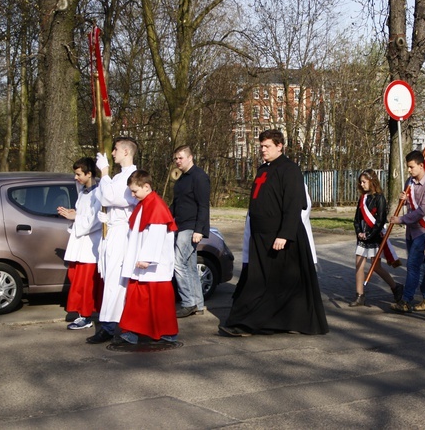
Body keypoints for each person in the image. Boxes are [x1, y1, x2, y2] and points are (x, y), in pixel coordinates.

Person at [220, 129, 328, 337]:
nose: (262, 150)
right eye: (261, 146)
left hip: (281, 238)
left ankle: (247, 323)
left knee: (282, 282)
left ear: (280, 146)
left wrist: (284, 235)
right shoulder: (262, 170)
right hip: (261, 238)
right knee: (262, 281)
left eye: (267, 146)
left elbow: (294, 204)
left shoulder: (290, 170)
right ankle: (257, 322)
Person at [116, 170, 179, 344]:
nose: (133, 195)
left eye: (135, 191)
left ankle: (166, 331)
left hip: (153, 264)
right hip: (142, 261)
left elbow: (157, 235)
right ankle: (133, 331)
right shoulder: (144, 203)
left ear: (146, 186)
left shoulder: (156, 205)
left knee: (158, 300)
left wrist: (147, 258)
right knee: (140, 297)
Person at [86, 137, 139, 344]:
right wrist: (107, 218)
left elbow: (109, 197)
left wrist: (104, 172)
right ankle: (110, 323)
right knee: (109, 278)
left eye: (116, 149)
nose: (113, 153)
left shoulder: (132, 176)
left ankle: (112, 325)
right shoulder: (118, 177)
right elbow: (103, 197)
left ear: (126, 152)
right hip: (113, 231)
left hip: (123, 233)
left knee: (117, 282)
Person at [389, 150, 425, 313]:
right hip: (411, 232)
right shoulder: (409, 182)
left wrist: (401, 220)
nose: (409, 170)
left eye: (411, 167)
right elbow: (408, 204)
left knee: (412, 265)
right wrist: (401, 201)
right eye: (408, 167)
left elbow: (422, 211)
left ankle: (406, 300)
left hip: (424, 231)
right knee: (420, 266)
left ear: (421, 165)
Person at [57, 157, 103, 330]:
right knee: (75, 278)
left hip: (90, 247)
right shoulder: (84, 192)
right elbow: (84, 214)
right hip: (79, 244)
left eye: (78, 174)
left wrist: (76, 217)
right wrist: (73, 213)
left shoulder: (98, 193)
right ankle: (80, 313)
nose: (75, 178)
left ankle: (86, 316)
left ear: (89, 173)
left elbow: (96, 220)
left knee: (86, 282)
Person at [349, 169, 403, 307]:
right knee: (359, 265)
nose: (361, 185)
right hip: (362, 238)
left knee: (376, 267)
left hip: (374, 237)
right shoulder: (362, 198)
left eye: (364, 182)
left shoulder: (379, 198)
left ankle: (395, 287)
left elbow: (380, 221)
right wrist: (359, 232)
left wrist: (369, 235)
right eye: (360, 182)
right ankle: (359, 295)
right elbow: (356, 219)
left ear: (372, 181)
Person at [170, 145, 211, 319]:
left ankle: (188, 303)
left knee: (178, 263)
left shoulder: (199, 177)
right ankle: (198, 304)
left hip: (191, 227)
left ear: (190, 157)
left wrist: (199, 230)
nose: (178, 161)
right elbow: (177, 203)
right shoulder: (182, 179)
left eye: (181, 158)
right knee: (189, 266)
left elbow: (203, 205)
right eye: (176, 158)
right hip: (180, 226)